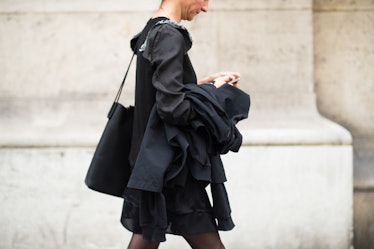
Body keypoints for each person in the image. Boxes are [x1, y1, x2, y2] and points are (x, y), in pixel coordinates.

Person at [121, 0, 247, 248]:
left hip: (157, 162)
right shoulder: (169, 34)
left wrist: (205, 86)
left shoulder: (153, 28)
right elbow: (172, 108)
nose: (205, 7)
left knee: (146, 236)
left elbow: (163, 94)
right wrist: (214, 100)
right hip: (173, 166)